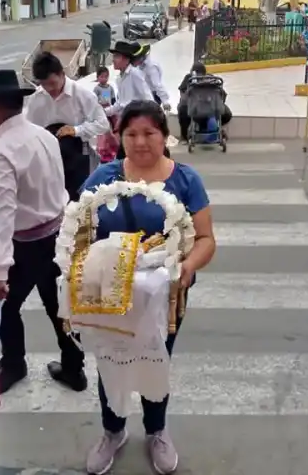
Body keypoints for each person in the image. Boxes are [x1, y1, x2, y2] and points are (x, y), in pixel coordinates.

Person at [80, 100, 217, 475]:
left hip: (166, 297)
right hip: (111, 294)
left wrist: (186, 268)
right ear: (120, 137)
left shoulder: (185, 181)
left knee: (156, 360)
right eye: (131, 134)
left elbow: (206, 239)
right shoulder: (103, 180)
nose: (140, 142)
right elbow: (78, 231)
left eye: (149, 133)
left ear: (164, 135)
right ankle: (113, 431)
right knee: (112, 359)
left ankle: (156, 431)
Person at [0, 70, 86, 394]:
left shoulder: (1, 152)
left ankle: (14, 365)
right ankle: (74, 369)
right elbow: (44, 191)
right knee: (59, 306)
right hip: (58, 235)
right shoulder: (44, 136)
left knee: (3, 307)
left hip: (26, 245)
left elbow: (5, 215)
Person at [24, 52, 110, 201]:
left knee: (77, 200)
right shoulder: (35, 99)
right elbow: (27, 130)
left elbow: (103, 124)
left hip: (77, 157)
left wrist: (76, 130)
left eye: (52, 83)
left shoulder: (82, 95)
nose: (49, 89)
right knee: (51, 200)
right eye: (44, 84)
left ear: (62, 74)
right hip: (48, 160)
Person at [177, 61, 233, 142]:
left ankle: (184, 137)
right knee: (227, 113)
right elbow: (223, 95)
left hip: (194, 110)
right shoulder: (211, 78)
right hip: (211, 109)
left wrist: (186, 101)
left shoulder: (189, 78)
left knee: (182, 109)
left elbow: (182, 93)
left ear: (192, 71)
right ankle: (217, 129)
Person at [133, 44, 171, 112]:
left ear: (141, 57)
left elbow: (157, 84)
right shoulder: (139, 66)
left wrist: (165, 101)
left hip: (153, 96)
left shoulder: (151, 67)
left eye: (135, 59)